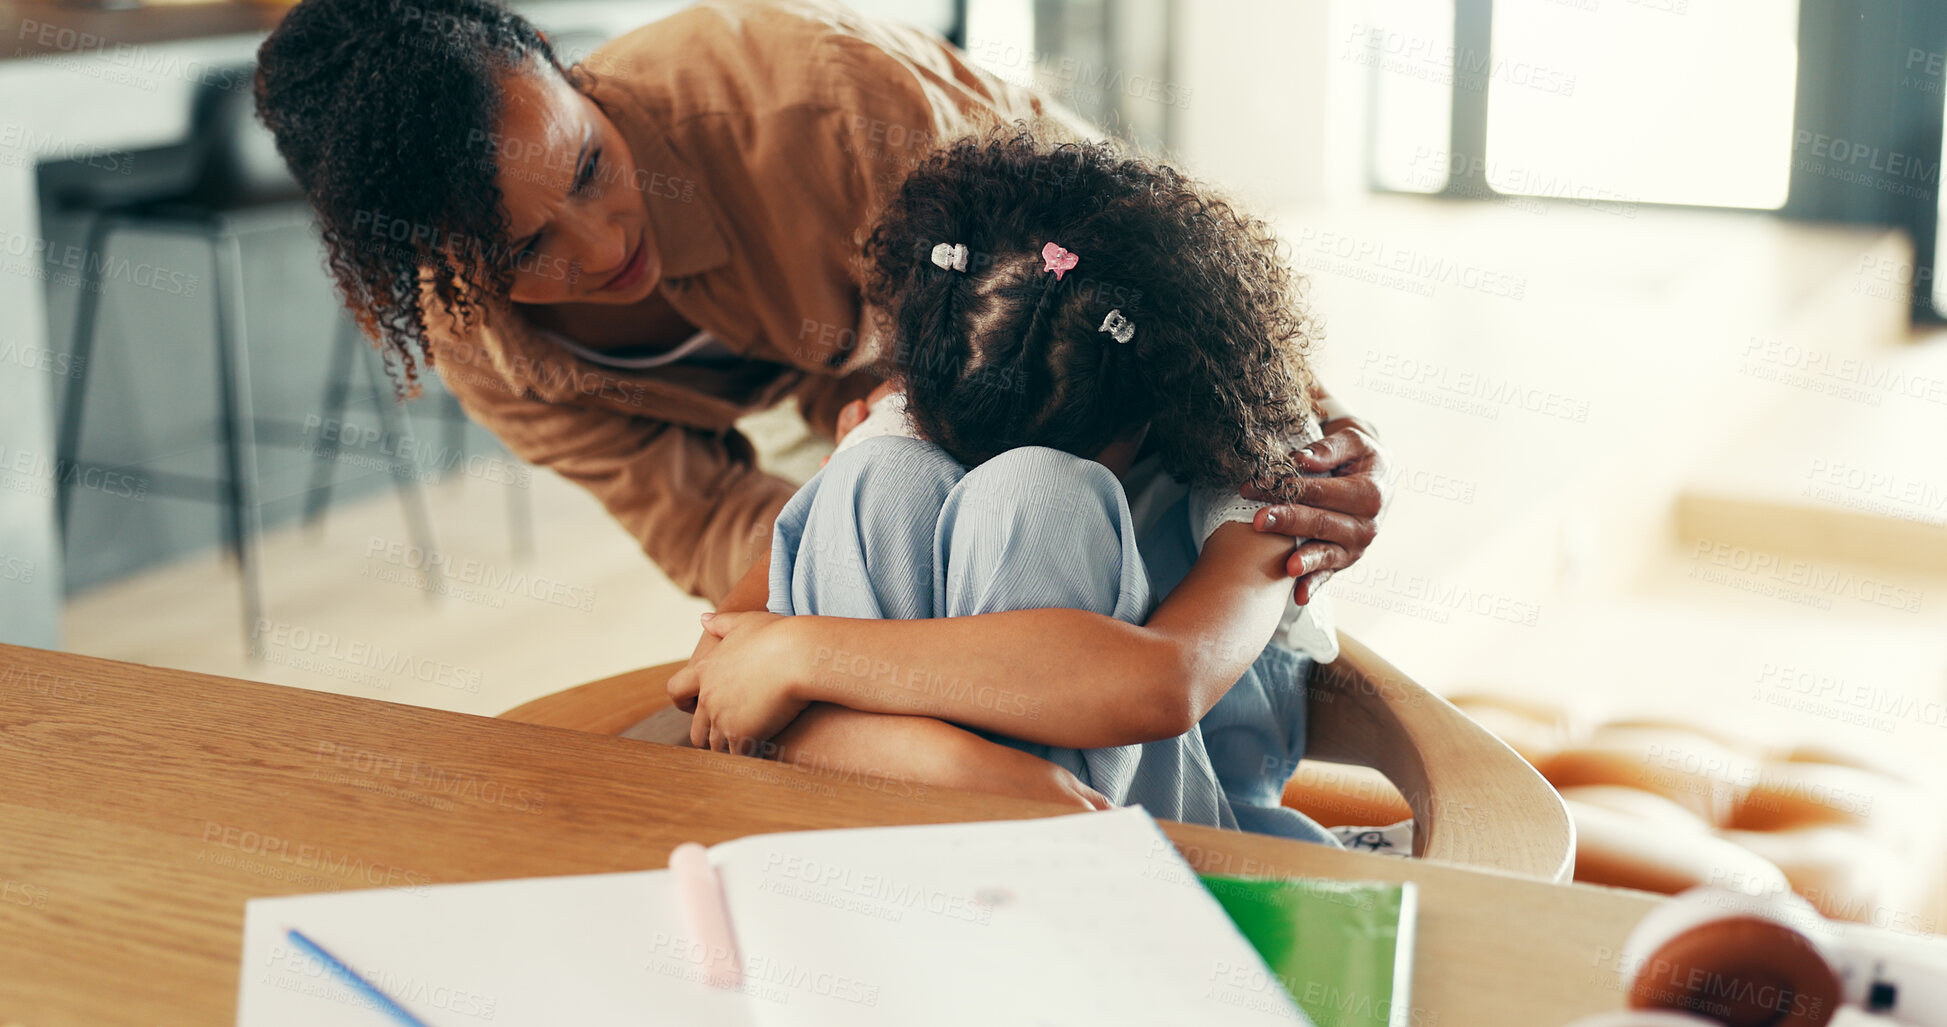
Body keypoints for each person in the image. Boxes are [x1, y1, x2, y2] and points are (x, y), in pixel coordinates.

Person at [253, 0, 1390, 716]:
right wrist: (823, 623)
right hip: (887, 411)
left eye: (591, 167)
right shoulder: (489, 346)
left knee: (1028, 505)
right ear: (437, 265)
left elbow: (1126, 247)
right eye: (526, 248)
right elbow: (706, 525)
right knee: (893, 499)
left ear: (564, 64)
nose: (605, 249)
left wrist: (1298, 431)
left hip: (1057, 362)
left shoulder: (817, 96)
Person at [673, 134, 1341, 842]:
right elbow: (709, 680)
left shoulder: (1256, 452)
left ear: (1148, 410)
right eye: (960, 449)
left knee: (1037, 495)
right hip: (943, 810)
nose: (980, 466)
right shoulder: (935, 395)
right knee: (877, 475)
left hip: (1150, 830)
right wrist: (946, 762)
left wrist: (801, 655)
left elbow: (1166, 682)